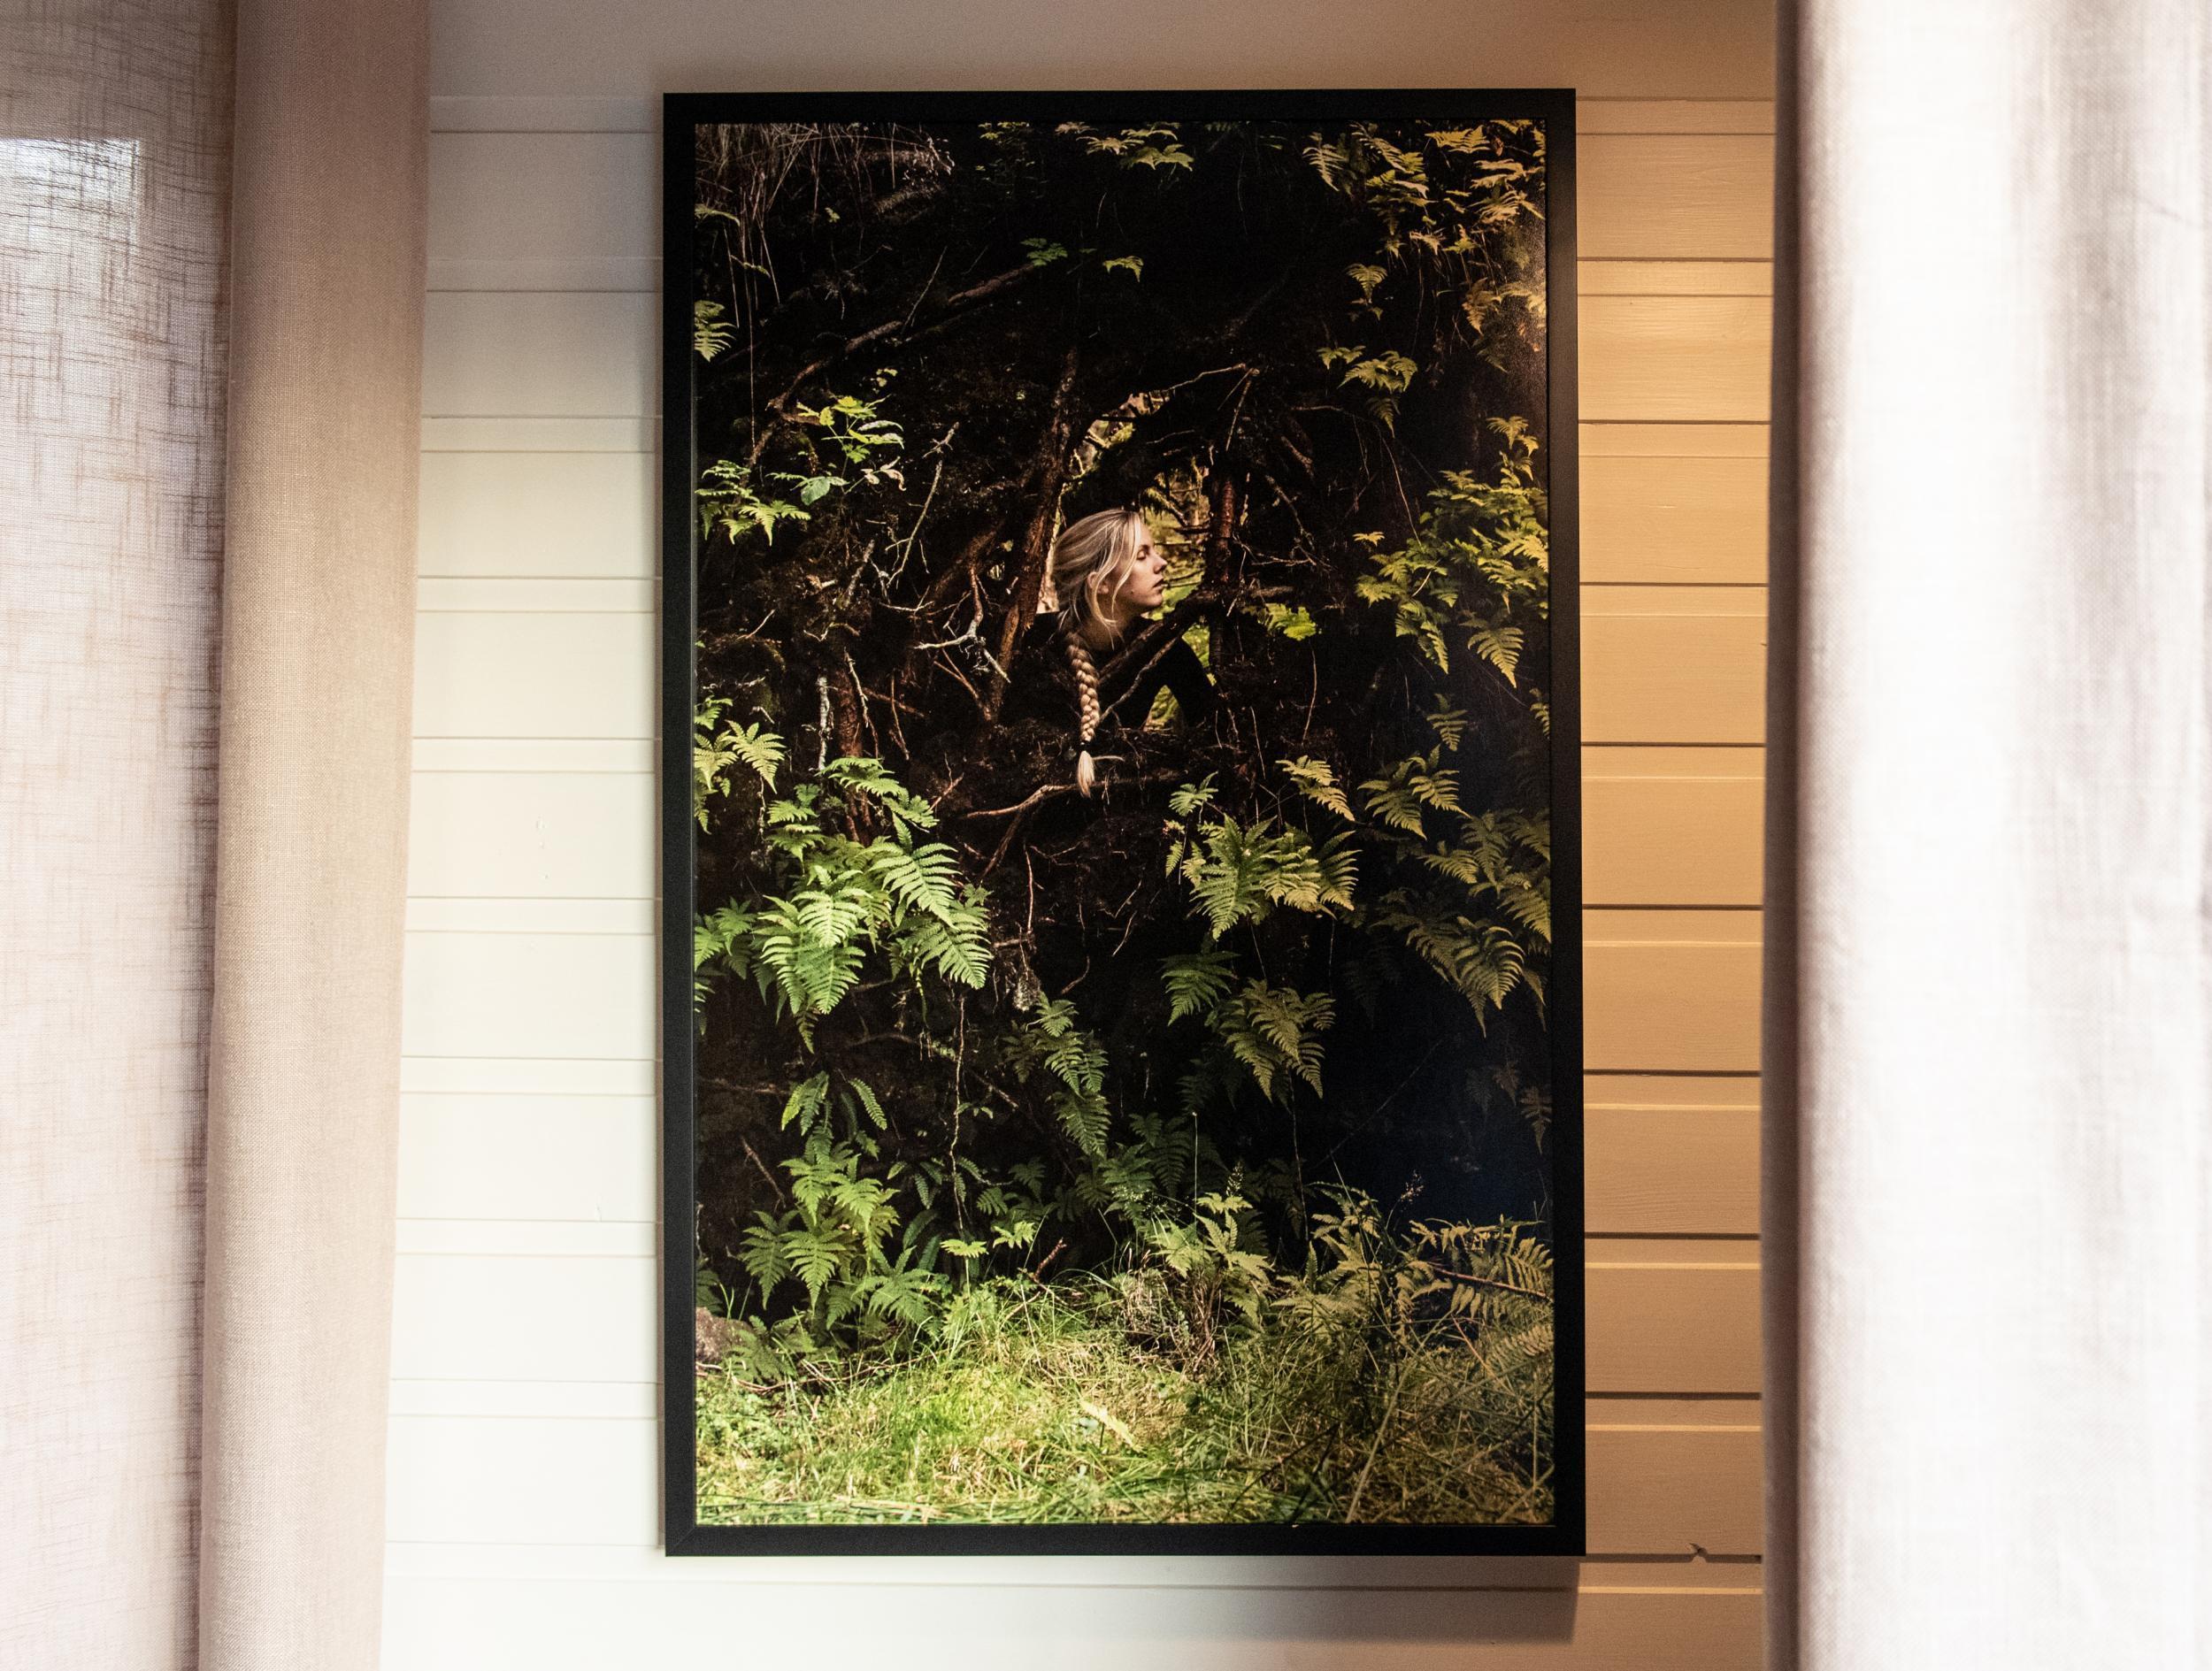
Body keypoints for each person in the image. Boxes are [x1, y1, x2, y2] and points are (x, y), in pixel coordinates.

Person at [1039, 507, 1216, 795]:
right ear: (1102, 583)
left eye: (1155, 551)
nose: (1162, 563)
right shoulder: (1033, 643)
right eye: (1142, 555)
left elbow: (1216, 736)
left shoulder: (1165, 647)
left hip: (1123, 810)